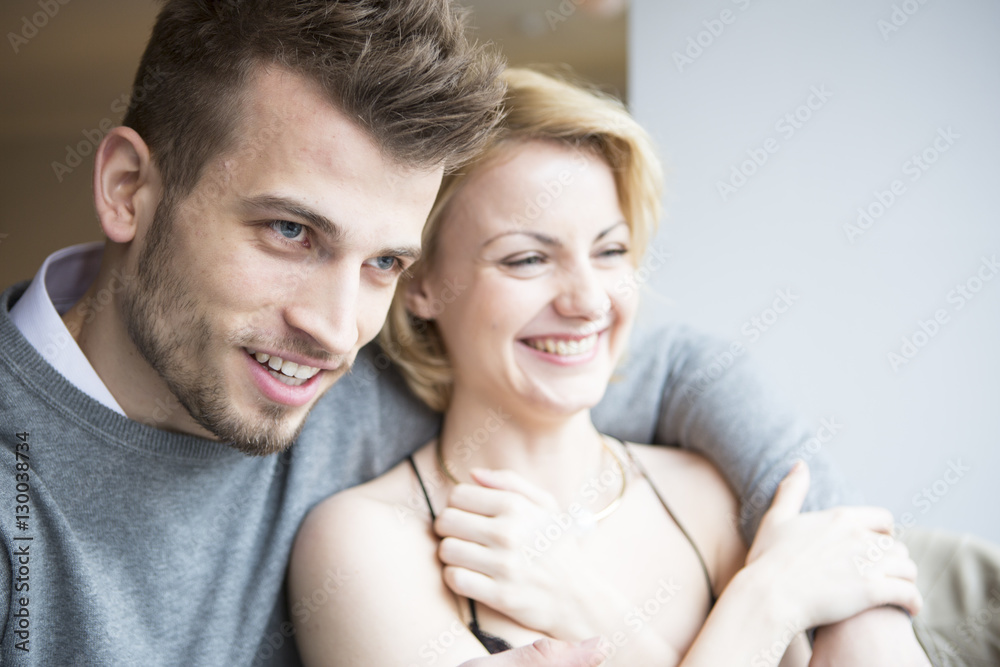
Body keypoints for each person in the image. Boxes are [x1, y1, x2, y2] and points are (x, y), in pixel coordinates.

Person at [0, 1, 916, 665]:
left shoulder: (352, 374)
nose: (335, 330)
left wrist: (861, 602)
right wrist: (764, 607)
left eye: (385, 263)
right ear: (127, 188)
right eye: (290, 231)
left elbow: (653, 362)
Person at [288, 68, 939, 666]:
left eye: (611, 251)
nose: (587, 301)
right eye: (526, 259)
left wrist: (591, 607)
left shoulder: (708, 496)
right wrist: (765, 601)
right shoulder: (362, 546)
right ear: (421, 282)